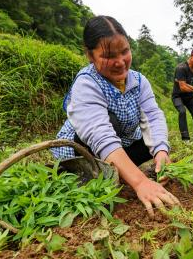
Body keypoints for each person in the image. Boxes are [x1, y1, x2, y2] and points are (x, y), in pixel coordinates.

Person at [52, 15, 181, 216]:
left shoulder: (139, 81)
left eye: (125, 51)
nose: (120, 62)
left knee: (151, 145)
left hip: (118, 146)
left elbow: (153, 117)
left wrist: (161, 152)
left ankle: (116, 172)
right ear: (90, 55)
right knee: (111, 124)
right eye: (109, 56)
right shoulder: (86, 84)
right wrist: (140, 182)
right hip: (83, 152)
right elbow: (101, 136)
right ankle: (92, 175)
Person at [173, 47, 193, 142]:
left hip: (190, 98)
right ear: (192, 55)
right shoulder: (181, 68)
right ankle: (185, 139)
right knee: (182, 112)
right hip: (178, 96)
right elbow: (183, 87)